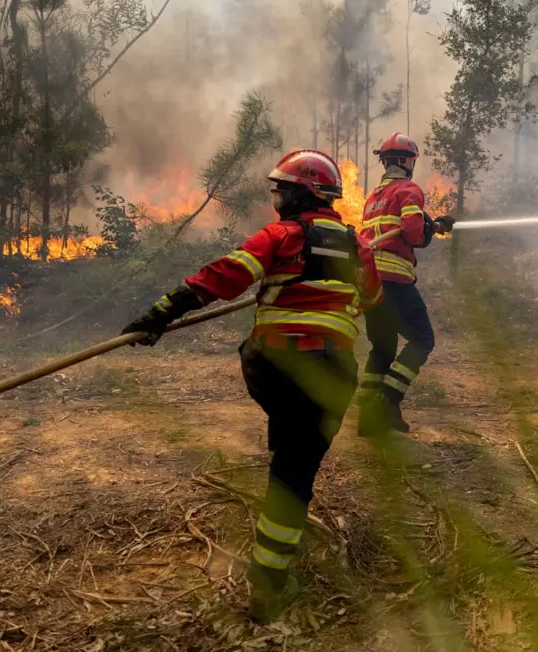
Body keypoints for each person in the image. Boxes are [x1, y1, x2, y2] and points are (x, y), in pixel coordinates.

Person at [121, 149, 382, 622]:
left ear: (303, 194)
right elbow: (372, 298)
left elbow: (223, 276)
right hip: (330, 373)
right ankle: (268, 583)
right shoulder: (357, 246)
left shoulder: (281, 236)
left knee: (289, 434)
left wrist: (160, 313)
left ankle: (283, 470)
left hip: (270, 368)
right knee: (295, 471)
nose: (276, 198)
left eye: (281, 190)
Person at [356, 132, 454, 436]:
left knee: (383, 348)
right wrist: (431, 229)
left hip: (370, 282)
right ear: (404, 161)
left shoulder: (374, 197)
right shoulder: (408, 189)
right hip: (394, 281)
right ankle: (386, 401)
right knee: (423, 339)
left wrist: (432, 225)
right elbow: (412, 233)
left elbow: (399, 228)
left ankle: (367, 417)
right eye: (411, 160)